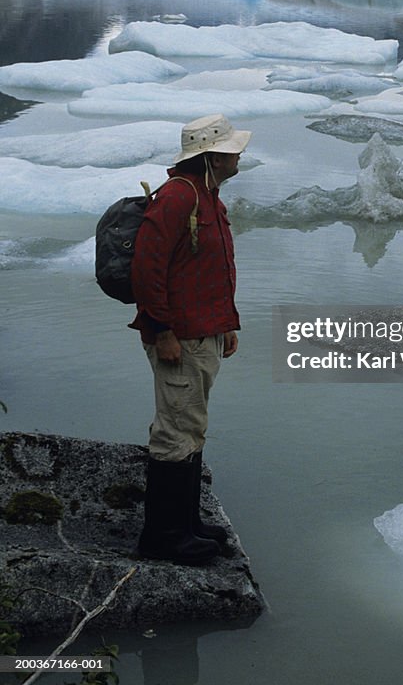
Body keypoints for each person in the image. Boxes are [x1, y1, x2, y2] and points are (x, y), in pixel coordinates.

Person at [130, 113, 251, 565]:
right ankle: (163, 537)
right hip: (178, 336)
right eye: (234, 149)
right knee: (176, 428)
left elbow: (205, 271)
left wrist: (225, 324)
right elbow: (147, 268)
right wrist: (161, 330)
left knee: (192, 423)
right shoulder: (179, 198)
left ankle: (187, 524)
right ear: (213, 156)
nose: (240, 155)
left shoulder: (206, 194)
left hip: (203, 332)